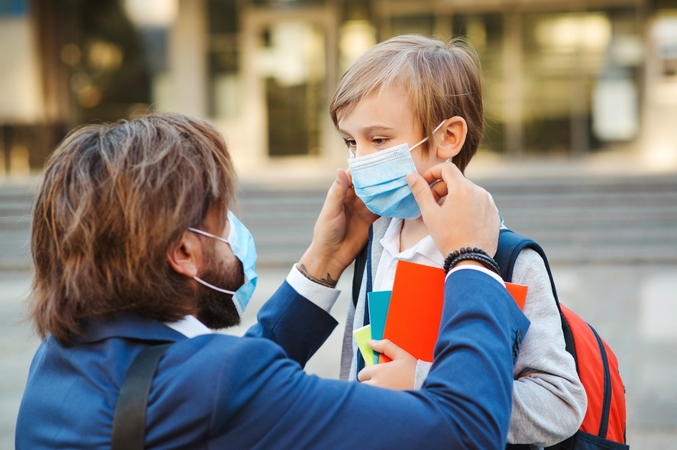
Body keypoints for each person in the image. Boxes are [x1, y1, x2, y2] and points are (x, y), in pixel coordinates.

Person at [16, 113, 528, 449]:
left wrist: (321, 264)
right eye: (221, 218)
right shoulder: (218, 383)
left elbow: (208, 381)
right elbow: (464, 429)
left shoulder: (60, 356)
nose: (234, 231)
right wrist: (471, 261)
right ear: (184, 252)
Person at [330, 35, 587, 448]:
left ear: (448, 137)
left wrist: (421, 382)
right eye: (350, 142)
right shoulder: (376, 239)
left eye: (378, 140)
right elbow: (356, 371)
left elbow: (561, 403)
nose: (360, 159)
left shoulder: (505, 259)